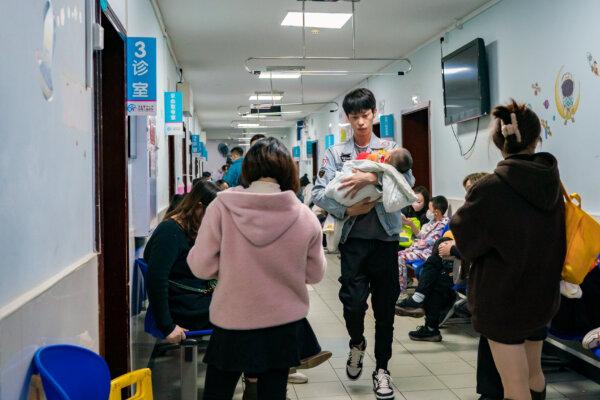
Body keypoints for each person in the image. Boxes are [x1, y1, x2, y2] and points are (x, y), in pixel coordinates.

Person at [188, 137, 327, 400]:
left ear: (247, 169)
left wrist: (231, 268)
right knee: (272, 394)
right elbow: (315, 274)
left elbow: (200, 266)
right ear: (288, 171)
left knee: (218, 392)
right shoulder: (305, 216)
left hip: (232, 318)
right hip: (283, 322)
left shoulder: (221, 206)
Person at [451, 100, 565, 400]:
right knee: (534, 375)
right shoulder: (552, 184)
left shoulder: (489, 189)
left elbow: (466, 242)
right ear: (536, 139)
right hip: (541, 296)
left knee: (513, 387)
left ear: (500, 142)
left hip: (502, 301)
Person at [312, 88, 415, 400]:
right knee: (353, 303)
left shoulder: (390, 149)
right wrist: (346, 210)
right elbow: (318, 192)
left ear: (374, 114)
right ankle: (356, 343)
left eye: (365, 115)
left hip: (386, 240)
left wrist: (375, 179)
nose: (360, 122)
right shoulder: (335, 154)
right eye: (354, 116)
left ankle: (382, 369)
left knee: (385, 309)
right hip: (353, 240)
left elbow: (408, 183)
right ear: (347, 118)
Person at [395, 174, 489, 343]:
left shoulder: (489, 215)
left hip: (477, 268)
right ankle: (428, 322)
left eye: (469, 190)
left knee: (435, 275)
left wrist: (453, 247)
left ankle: (422, 306)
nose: (467, 195)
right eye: (466, 191)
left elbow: (481, 247)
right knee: (435, 273)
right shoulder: (474, 212)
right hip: (460, 261)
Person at [144, 181, 220, 343]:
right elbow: (156, 280)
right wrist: (167, 326)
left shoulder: (190, 229)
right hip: (183, 308)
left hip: (192, 300)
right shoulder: (170, 232)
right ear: (199, 207)